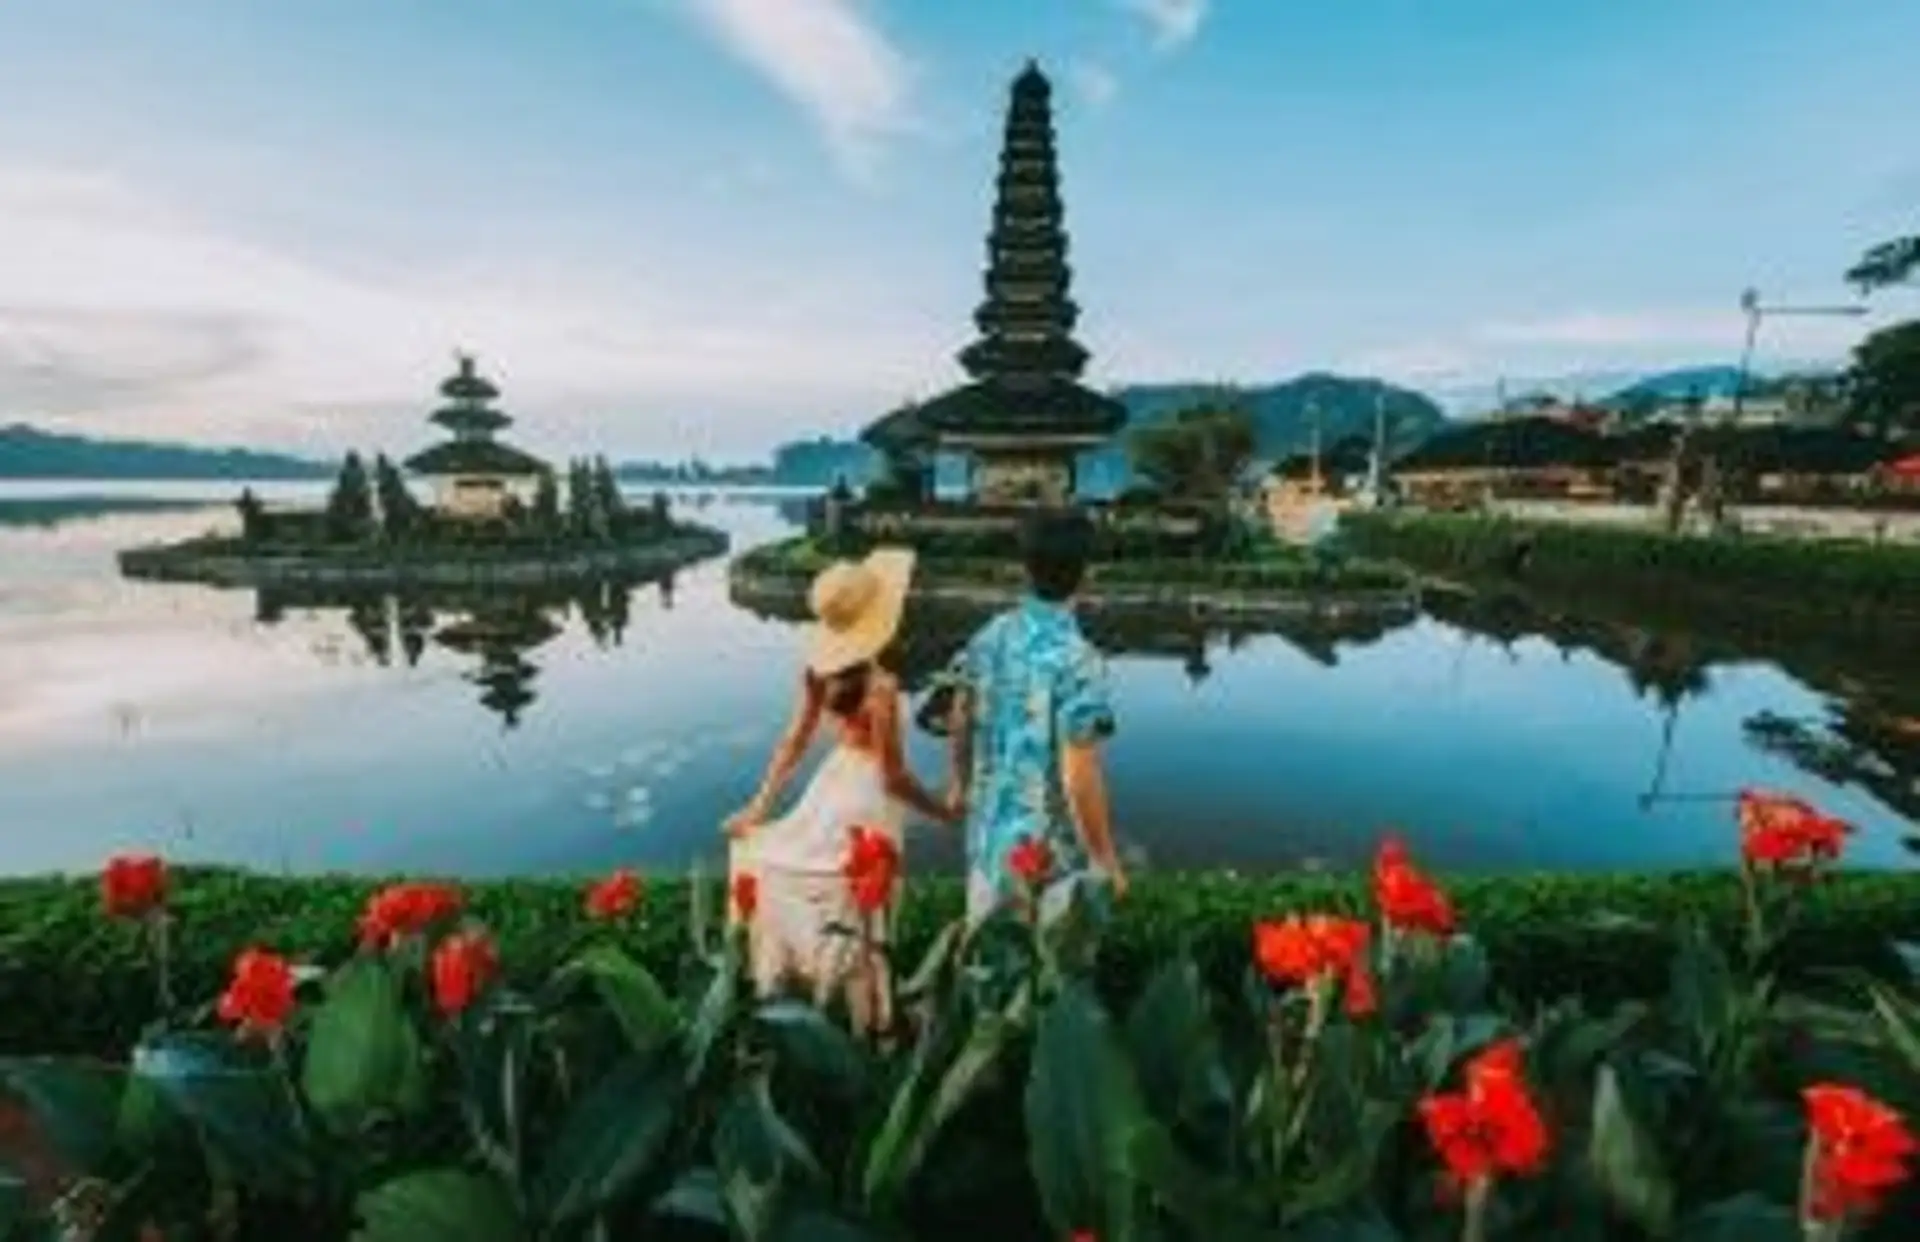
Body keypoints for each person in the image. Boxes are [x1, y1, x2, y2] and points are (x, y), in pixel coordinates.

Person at [724, 546, 954, 1031]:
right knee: (866, 905)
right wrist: (941, 810)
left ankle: (821, 993)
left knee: (824, 882)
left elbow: (794, 742)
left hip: (830, 785)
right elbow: (893, 775)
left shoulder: (817, 672)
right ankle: (873, 1020)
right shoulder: (882, 686)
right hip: (868, 794)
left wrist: (758, 806)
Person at [945, 509, 1127, 926]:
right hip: (1049, 859)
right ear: (1085, 575)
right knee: (1047, 980)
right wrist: (1105, 858)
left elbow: (960, 713)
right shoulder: (1080, 661)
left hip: (990, 842)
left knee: (985, 975)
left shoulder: (991, 635)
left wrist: (959, 782)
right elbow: (1077, 774)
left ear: (1025, 570)